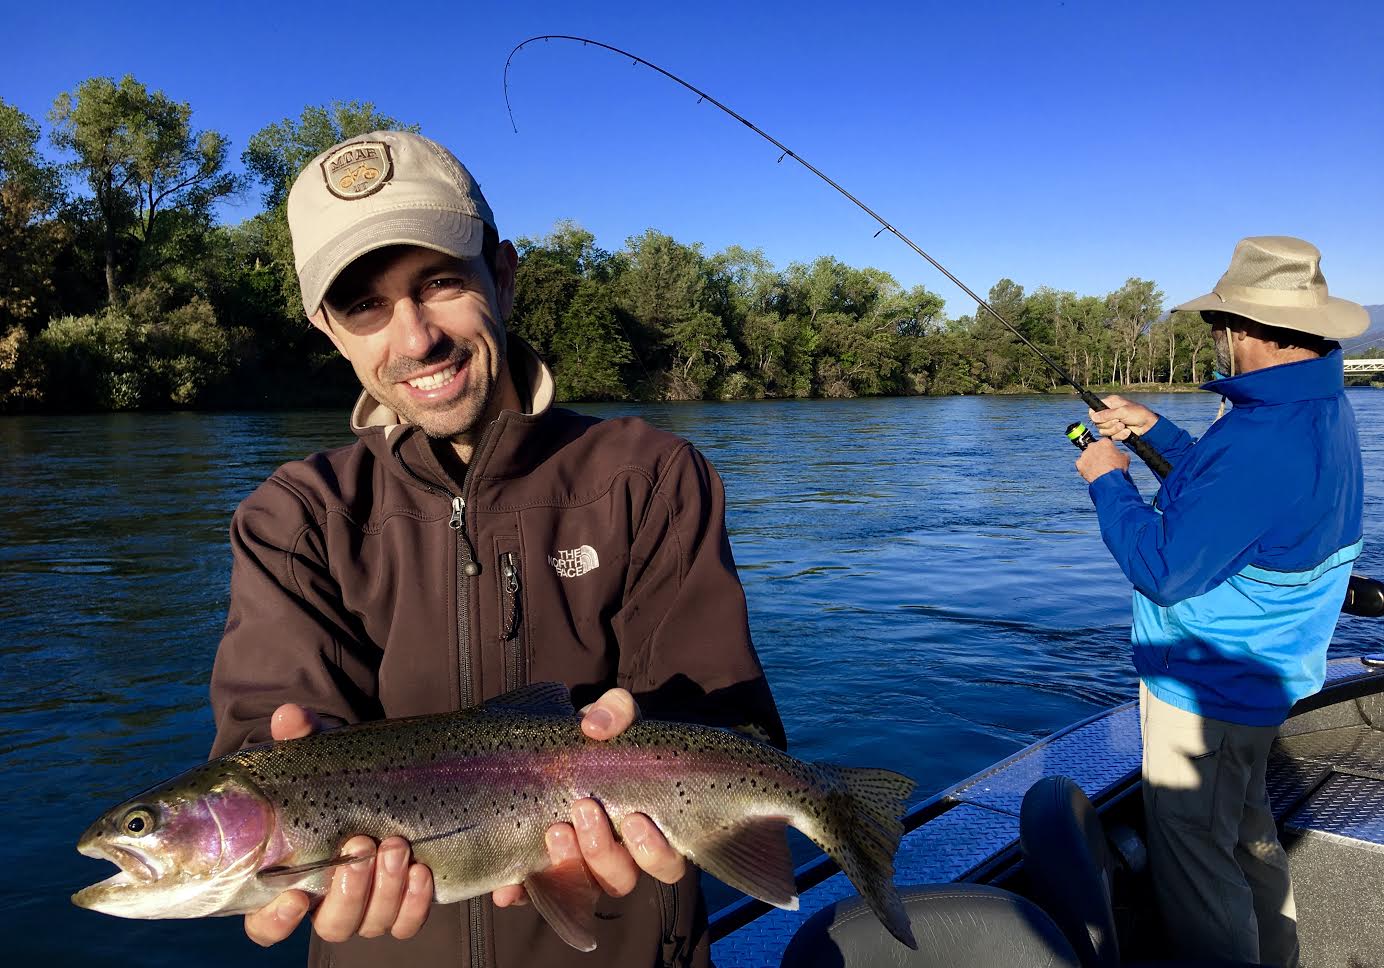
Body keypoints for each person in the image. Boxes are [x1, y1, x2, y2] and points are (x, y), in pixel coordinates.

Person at [208, 130, 785, 968]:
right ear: (329, 329)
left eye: (439, 283)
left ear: (504, 278)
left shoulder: (651, 476)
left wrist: (657, 747)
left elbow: (735, 727)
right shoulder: (293, 519)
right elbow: (258, 745)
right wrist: (283, 774)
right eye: (365, 306)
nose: (414, 339)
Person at [1074, 236, 1367, 966]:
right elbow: (1232, 502)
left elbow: (1166, 569)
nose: (1217, 340)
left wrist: (1109, 478)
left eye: (1218, 327)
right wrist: (1155, 431)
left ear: (1244, 331)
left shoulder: (1264, 436)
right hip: (1265, 678)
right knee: (1250, 837)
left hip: (1206, 688)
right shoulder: (1317, 406)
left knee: (1199, 863)